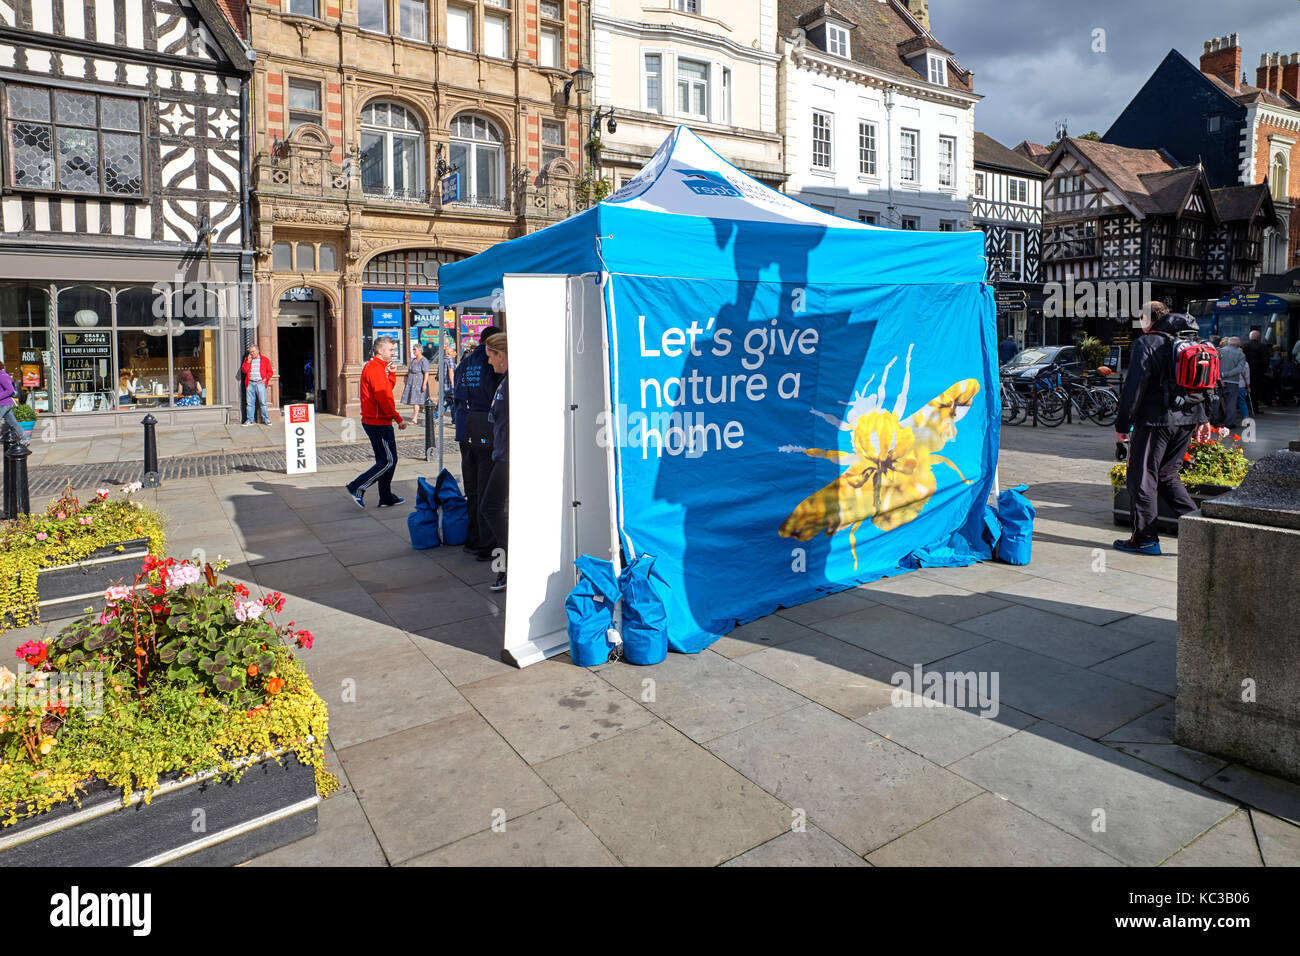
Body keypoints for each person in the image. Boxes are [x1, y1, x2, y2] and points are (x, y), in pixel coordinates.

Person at [1114, 302, 1212, 555]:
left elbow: (1134, 387)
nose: (1139, 323)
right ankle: (1203, 531)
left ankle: (1145, 539)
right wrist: (1205, 418)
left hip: (1156, 420)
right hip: (1189, 418)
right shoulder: (1194, 341)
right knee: (1167, 475)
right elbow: (1208, 384)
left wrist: (1122, 425)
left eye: (1140, 318)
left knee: (1142, 477)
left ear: (1149, 319)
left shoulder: (1147, 343)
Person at [453, 326, 502, 560]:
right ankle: (487, 545)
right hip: (486, 430)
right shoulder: (492, 363)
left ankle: (472, 539)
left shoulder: (464, 363)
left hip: (465, 430)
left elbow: (457, 396)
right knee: (486, 489)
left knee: (472, 489)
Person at [346, 335, 407, 508]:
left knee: (385, 460)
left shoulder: (378, 367)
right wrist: (398, 418)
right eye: (391, 349)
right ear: (380, 351)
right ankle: (356, 487)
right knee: (388, 460)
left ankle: (386, 497)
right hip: (378, 422)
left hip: (376, 420)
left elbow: (386, 389)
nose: (393, 353)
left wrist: (392, 374)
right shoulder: (374, 368)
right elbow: (384, 397)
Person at [480, 333, 509, 591]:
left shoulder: (513, 383)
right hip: (501, 454)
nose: (489, 362)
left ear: (502, 354)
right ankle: (506, 568)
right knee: (495, 509)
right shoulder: (504, 381)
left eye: (491, 356)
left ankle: (509, 565)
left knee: (489, 507)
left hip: (509, 459)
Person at [1215, 336, 1246, 427]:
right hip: (1233, 381)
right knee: (1231, 403)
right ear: (1238, 345)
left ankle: (1213, 421)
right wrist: (1225, 374)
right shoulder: (1241, 355)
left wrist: (1220, 375)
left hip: (1217, 380)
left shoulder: (1219, 351)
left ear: (1228, 343)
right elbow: (1239, 369)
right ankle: (1229, 423)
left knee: (1215, 401)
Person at [240, 344, 273, 426]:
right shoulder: (247, 359)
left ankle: (266, 419)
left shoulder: (265, 360)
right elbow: (244, 370)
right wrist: (248, 361)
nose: (251, 354)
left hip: (260, 383)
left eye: (253, 352)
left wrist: (265, 379)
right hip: (250, 383)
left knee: (263, 402)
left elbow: (270, 372)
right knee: (250, 403)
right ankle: (250, 420)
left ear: (258, 351)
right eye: (250, 352)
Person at [401, 342, 432, 425]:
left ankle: (415, 418)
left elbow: (426, 373)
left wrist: (424, 384)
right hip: (412, 383)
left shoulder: (424, 360)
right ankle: (425, 416)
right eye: (413, 349)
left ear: (420, 350)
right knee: (417, 401)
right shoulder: (413, 360)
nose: (413, 351)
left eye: (415, 349)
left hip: (419, 383)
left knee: (416, 401)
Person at [0, 359, 27, 445]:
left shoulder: (2, 375)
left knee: (13, 423)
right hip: (5, 404)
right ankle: (24, 439)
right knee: (13, 423)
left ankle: (24, 439)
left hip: (4, 404)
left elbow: (10, 390)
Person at [1242, 329, 1271, 407]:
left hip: (1246, 371)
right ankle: (1255, 407)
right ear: (1259, 337)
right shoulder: (1263, 346)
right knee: (1256, 389)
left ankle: (1247, 405)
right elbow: (1266, 360)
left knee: (1246, 388)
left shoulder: (1244, 346)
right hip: (1258, 372)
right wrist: (1263, 370)